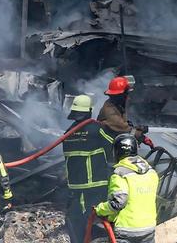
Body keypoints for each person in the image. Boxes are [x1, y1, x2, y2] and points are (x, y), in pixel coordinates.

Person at [62, 95, 115, 243]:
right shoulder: (97, 129)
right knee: (99, 217)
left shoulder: (68, 132)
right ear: (90, 111)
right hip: (95, 183)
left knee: (78, 217)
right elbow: (114, 145)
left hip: (75, 185)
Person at [94, 134, 159, 243]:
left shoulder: (120, 174)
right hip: (149, 228)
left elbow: (118, 203)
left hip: (126, 231)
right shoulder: (151, 172)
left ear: (117, 152)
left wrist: (100, 209)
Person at [97, 76, 152, 146]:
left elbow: (123, 125)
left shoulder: (118, 105)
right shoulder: (109, 110)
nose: (128, 97)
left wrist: (137, 128)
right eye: (126, 94)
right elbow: (122, 128)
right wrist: (140, 136)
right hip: (108, 145)